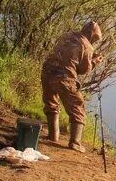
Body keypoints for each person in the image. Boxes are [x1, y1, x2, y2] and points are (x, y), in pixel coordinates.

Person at [41, 21, 104, 152]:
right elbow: (83, 70)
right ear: (92, 36)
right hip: (64, 78)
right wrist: (94, 62)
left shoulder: (67, 35)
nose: (95, 42)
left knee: (51, 103)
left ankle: (53, 136)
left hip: (47, 72)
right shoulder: (87, 45)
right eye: (95, 39)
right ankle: (75, 143)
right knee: (77, 107)